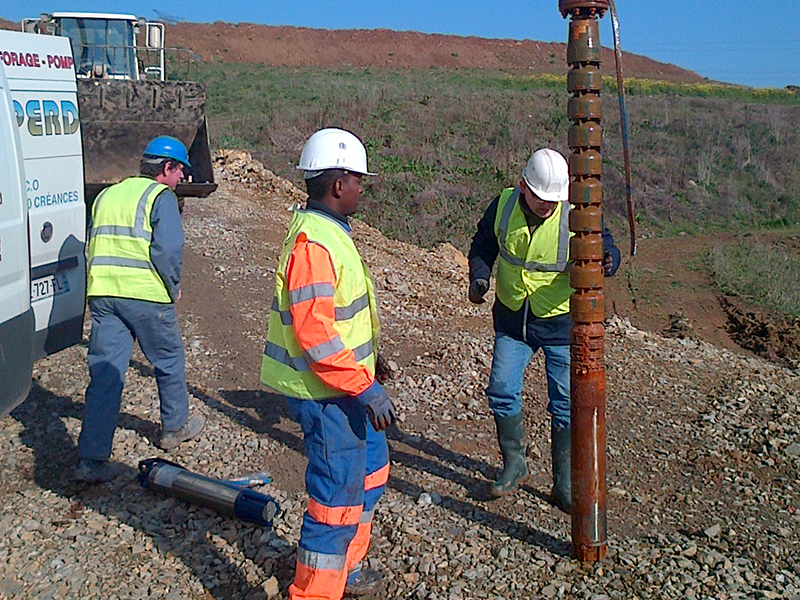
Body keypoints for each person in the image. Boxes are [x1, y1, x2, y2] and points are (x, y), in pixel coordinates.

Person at [260, 128, 396, 600]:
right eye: (358, 180)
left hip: (348, 384)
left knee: (372, 473)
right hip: (327, 394)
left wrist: (372, 362)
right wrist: (364, 387)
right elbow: (315, 335)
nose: (362, 188)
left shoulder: (330, 234)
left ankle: (348, 567)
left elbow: (342, 316)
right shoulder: (314, 245)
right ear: (339, 185)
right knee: (336, 498)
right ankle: (315, 591)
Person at [468, 148, 620, 511]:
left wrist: (607, 258)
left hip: (558, 322)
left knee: (566, 404)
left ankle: (563, 483)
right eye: (541, 198)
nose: (548, 206)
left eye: (554, 199)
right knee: (502, 389)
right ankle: (515, 465)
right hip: (512, 317)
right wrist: (479, 275)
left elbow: (606, 244)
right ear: (523, 187)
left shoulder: (574, 212)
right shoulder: (503, 205)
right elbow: (483, 245)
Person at [75, 136, 205, 483]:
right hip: (144, 294)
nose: (182, 180)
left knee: (105, 375)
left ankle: (91, 459)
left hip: (103, 294)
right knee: (168, 360)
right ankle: (174, 428)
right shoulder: (160, 197)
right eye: (181, 172)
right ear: (167, 168)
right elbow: (167, 251)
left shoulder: (107, 195)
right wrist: (171, 285)